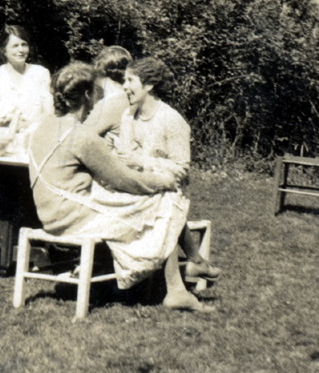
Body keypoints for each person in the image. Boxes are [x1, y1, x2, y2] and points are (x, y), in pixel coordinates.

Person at [26, 62, 205, 311]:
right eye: (96, 94)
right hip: (74, 218)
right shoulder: (81, 136)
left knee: (152, 202)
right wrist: (163, 182)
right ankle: (176, 287)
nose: (98, 101)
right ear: (87, 95)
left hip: (49, 214)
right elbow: (125, 180)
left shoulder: (42, 127)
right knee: (161, 202)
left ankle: (178, 284)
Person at [117, 57, 219, 281]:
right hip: (136, 186)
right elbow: (124, 156)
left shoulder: (171, 119)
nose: (124, 86)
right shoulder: (128, 116)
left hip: (170, 190)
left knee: (157, 205)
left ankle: (169, 275)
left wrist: (141, 161)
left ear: (149, 85)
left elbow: (181, 169)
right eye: (124, 80)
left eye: (130, 80)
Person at [0, 24, 52, 131]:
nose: (21, 50)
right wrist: (14, 122)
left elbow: (49, 111)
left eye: (24, 45)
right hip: (4, 135)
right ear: (4, 50)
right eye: (15, 46)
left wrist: (30, 124)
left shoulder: (40, 73)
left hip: (36, 133)